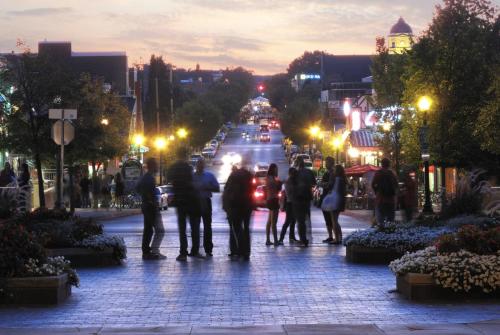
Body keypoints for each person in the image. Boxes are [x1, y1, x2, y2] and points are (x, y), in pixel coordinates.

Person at [167, 147, 202, 261]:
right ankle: (195, 250)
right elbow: (192, 182)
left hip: (180, 201)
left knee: (182, 229)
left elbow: (170, 180)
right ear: (185, 156)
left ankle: (183, 252)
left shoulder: (174, 167)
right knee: (194, 227)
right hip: (191, 200)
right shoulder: (188, 168)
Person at [136, 158, 166, 260]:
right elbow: (148, 192)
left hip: (146, 206)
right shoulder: (149, 178)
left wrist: (145, 198)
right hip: (150, 206)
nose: (157, 167)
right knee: (160, 230)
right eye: (156, 165)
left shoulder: (145, 177)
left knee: (148, 229)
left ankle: (147, 252)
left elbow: (138, 188)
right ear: (152, 166)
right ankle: (153, 251)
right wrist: (151, 201)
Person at [223, 164, 254, 260]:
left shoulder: (232, 178)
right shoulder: (248, 178)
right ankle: (246, 251)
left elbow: (227, 192)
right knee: (246, 228)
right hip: (247, 206)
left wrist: (227, 207)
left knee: (236, 228)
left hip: (236, 207)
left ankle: (239, 249)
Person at [193, 159, 220, 257]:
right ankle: (195, 248)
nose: (200, 166)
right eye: (198, 165)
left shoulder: (209, 176)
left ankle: (208, 248)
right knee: (195, 226)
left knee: (207, 226)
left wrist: (207, 187)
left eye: (201, 164)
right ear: (196, 166)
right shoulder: (192, 176)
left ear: (203, 166)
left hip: (206, 200)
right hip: (195, 202)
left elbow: (217, 188)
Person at [292, 157, 316, 247]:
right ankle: (306, 237)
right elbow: (314, 183)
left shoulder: (296, 173)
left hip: (298, 198)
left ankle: (303, 238)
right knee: (306, 218)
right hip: (307, 198)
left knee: (300, 220)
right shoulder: (309, 172)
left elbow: (292, 184)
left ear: (297, 163)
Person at [371, 158, 398, 224]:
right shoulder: (392, 173)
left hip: (381, 199)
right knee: (390, 220)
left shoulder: (378, 173)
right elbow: (396, 185)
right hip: (391, 200)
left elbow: (373, 184)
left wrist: (376, 191)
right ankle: (390, 232)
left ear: (381, 164)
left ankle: (381, 230)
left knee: (380, 220)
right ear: (389, 164)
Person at [328, 165, 347, 244]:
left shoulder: (338, 179)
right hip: (340, 200)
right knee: (335, 220)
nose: (333, 171)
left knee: (334, 220)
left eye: (335, 170)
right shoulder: (343, 179)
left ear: (337, 171)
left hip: (335, 201)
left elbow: (335, 190)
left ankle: (337, 238)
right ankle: (340, 237)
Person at [278, 167, 298, 244]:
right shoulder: (289, 182)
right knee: (287, 222)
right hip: (290, 203)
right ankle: (281, 239)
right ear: (291, 174)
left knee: (293, 221)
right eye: (294, 173)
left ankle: (291, 237)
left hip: (293, 203)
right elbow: (291, 192)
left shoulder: (292, 181)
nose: (295, 175)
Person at [265, 163, 282, 246]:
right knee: (274, 222)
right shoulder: (273, 179)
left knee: (269, 221)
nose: (277, 171)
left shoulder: (268, 178)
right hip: (274, 200)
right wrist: (279, 183)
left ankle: (268, 239)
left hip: (269, 200)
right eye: (276, 169)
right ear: (273, 170)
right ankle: (275, 240)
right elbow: (277, 189)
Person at [320, 157, 335, 244]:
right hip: (326, 197)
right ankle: (331, 236)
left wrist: (322, 184)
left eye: (327, 162)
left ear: (331, 163)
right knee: (328, 218)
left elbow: (329, 185)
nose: (326, 164)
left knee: (331, 218)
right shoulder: (328, 172)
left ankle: (334, 236)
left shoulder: (332, 173)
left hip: (329, 198)